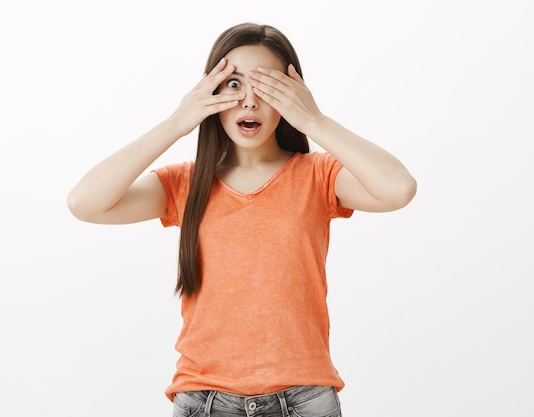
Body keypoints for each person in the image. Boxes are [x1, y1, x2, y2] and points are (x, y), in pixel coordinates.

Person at [67, 22, 416, 417]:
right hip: (205, 401)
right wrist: (177, 122)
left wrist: (314, 120)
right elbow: (85, 203)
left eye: (266, 85)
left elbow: (398, 189)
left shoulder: (318, 176)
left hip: (305, 401)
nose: (249, 100)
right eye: (233, 84)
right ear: (210, 91)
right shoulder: (185, 183)